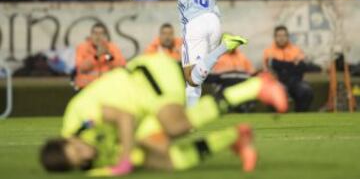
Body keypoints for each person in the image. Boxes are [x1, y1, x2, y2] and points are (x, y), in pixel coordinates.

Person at [40, 53, 288, 175]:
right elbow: (123, 151)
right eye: (79, 159)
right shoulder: (88, 159)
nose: (86, 153)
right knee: (169, 162)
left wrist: (125, 158)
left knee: (174, 126)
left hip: (146, 77)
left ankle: (256, 86)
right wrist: (134, 157)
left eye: (77, 148)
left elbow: (124, 119)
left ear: (67, 138)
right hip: (142, 109)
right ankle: (235, 138)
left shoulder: (78, 116)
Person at [123, 0, 293, 107]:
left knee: (191, 77)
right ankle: (191, 118)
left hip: (194, 23)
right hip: (213, 21)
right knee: (197, 77)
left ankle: (224, 47)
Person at [263, 25, 313, 112]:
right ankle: (279, 120)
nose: (281, 38)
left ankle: (299, 117)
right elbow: (272, 66)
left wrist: (281, 65)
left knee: (306, 91)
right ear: (275, 37)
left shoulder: (296, 50)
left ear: (287, 37)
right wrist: (292, 64)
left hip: (295, 81)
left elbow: (302, 67)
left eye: (284, 35)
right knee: (278, 91)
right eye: (279, 36)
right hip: (277, 81)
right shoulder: (268, 51)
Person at [74, 23, 126, 90]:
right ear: (91, 35)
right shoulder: (82, 48)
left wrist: (108, 55)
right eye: (95, 33)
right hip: (86, 87)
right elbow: (80, 68)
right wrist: (96, 56)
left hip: (107, 86)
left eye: (101, 34)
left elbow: (121, 66)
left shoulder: (112, 47)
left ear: (105, 36)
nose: (98, 37)